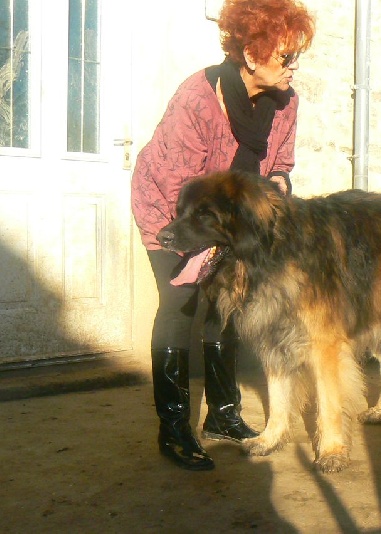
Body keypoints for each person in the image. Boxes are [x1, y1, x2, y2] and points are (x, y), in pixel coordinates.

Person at [130, 0, 315, 471]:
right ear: (251, 55)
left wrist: (278, 186)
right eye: (286, 57)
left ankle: (224, 415)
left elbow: (280, 166)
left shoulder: (285, 102)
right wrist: (204, 243)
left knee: (229, 303)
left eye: (297, 56)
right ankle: (173, 428)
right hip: (176, 214)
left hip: (233, 224)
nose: (295, 67)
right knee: (181, 302)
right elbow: (179, 188)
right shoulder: (197, 98)